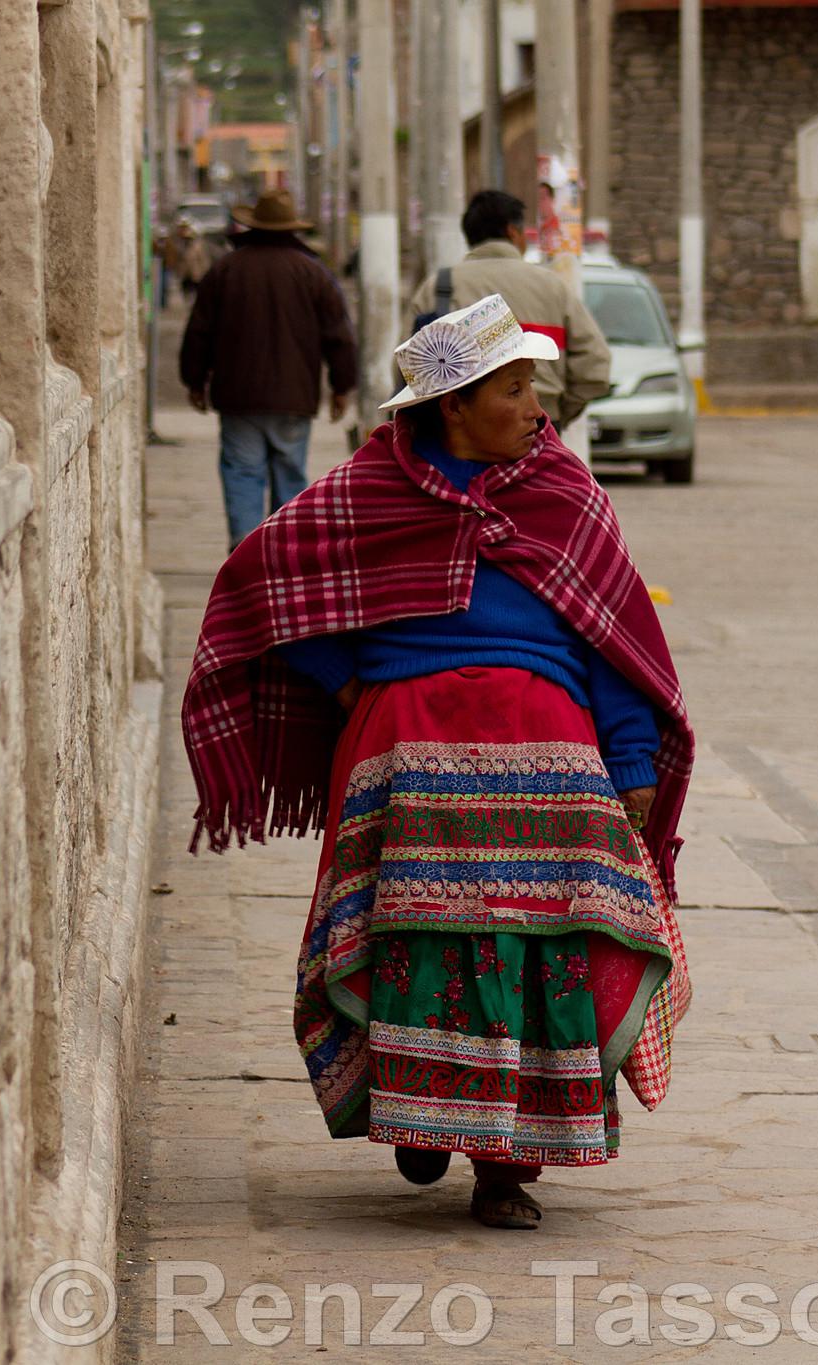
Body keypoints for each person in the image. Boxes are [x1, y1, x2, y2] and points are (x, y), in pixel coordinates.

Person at [178, 294, 694, 1230]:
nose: (536, 408)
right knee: (422, 941)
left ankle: (505, 1164)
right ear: (452, 403)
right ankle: (418, 1112)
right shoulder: (369, 494)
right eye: (514, 387)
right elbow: (262, 583)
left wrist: (630, 759)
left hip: (550, 752)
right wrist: (353, 684)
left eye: (534, 385)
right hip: (407, 751)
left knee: (544, 952)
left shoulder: (566, 496)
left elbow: (614, 639)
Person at [179, 189, 358, 546]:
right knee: (289, 475)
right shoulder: (314, 273)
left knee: (243, 474)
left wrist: (195, 381)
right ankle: (284, 553)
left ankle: (244, 553)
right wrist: (341, 387)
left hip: (238, 397)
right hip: (295, 399)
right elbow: (339, 336)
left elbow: (199, 331)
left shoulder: (225, 270)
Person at [412, 189, 611, 427]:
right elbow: (595, 367)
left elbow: (409, 368)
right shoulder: (551, 286)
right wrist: (556, 411)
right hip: (537, 426)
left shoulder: (438, 287)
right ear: (512, 232)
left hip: (461, 433)